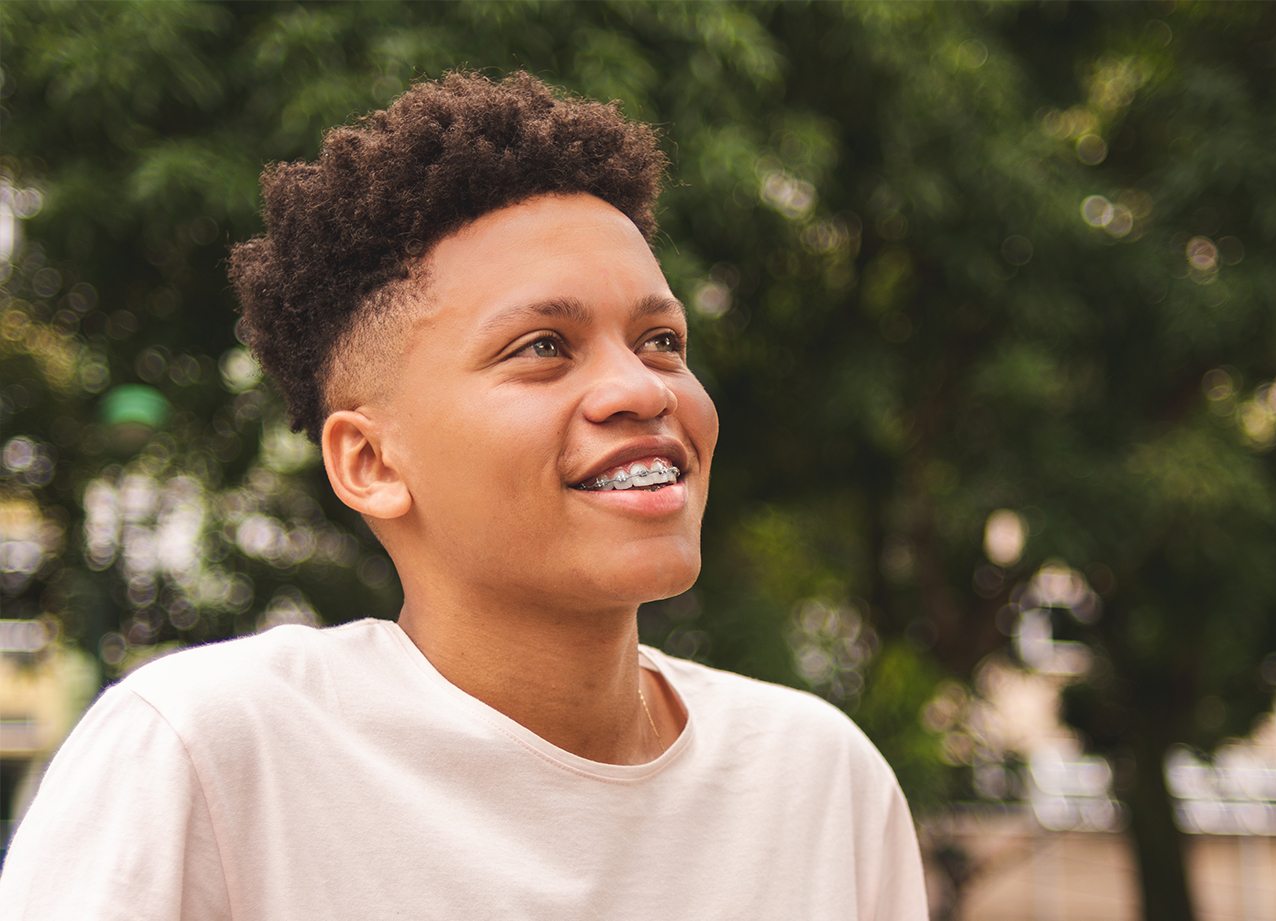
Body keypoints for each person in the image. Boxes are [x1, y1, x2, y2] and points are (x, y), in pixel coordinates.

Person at [0, 71, 927, 919]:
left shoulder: (819, 778)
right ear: (370, 462)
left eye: (661, 340)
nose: (647, 390)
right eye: (542, 348)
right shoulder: (208, 754)